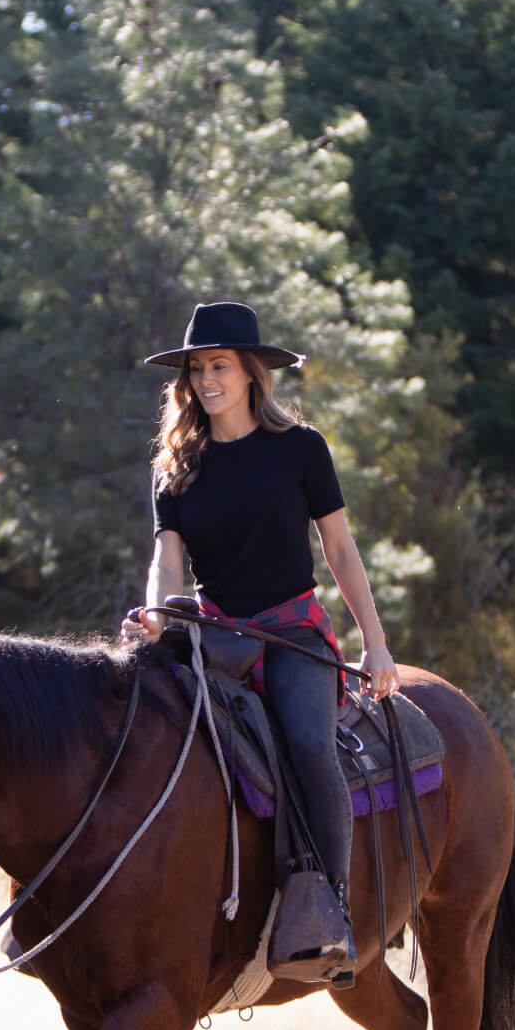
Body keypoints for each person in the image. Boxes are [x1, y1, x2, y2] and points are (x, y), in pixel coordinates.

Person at [122, 301, 399, 987]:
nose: (205, 379)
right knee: (143, 724)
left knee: (308, 744)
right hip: (213, 635)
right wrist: (158, 613)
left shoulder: (300, 450)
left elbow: (339, 547)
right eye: (196, 368)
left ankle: (329, 907)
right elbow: (166, 556)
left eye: (218, 365)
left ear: (251, 372)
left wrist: (378, 644)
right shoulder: (176, 466)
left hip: (293, 634)